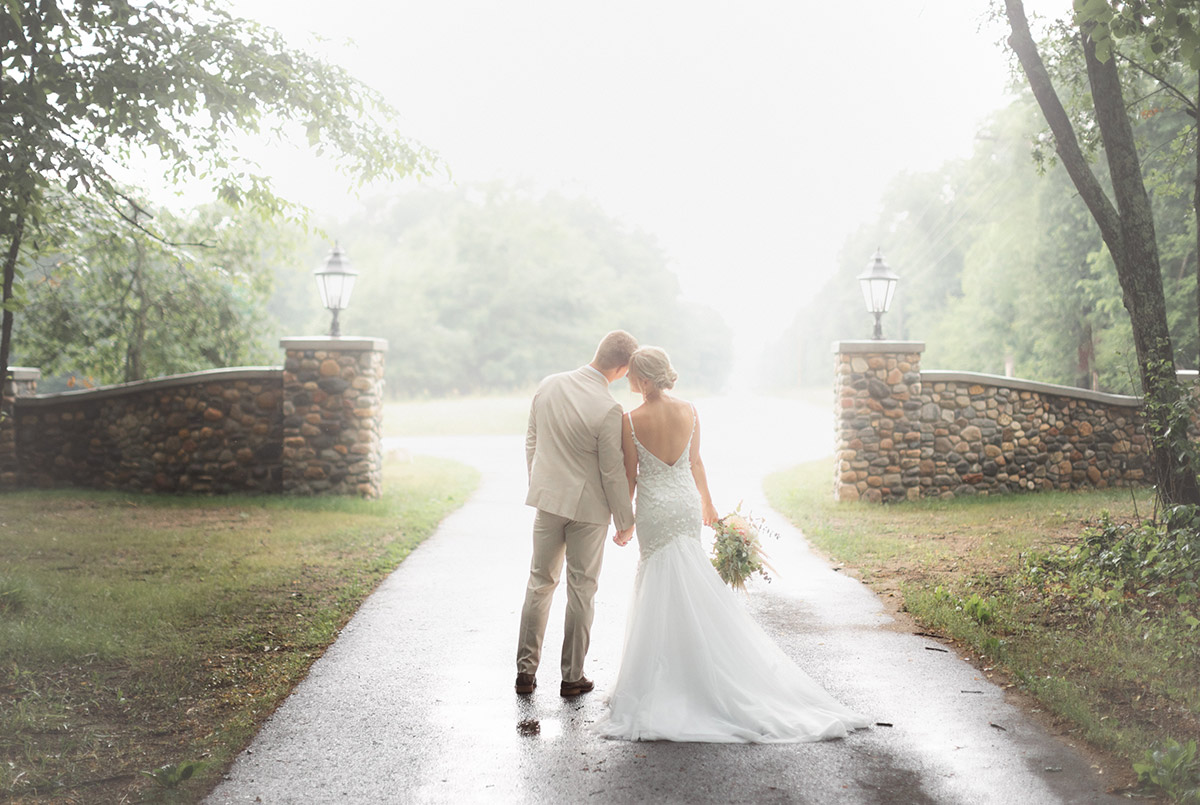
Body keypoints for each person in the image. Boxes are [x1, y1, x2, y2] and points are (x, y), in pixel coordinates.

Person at [597, 346, 870, 742]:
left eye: (631, 375)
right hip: (685, 503)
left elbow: (630, 475)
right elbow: (695, 463)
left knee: (657, 579)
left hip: (656, 508)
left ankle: (659, 677)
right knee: (689, 576)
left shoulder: (630, 420)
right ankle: (696, 668)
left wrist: (624, 522)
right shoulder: (690, 411)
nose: (628, 381)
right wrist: (708, 505)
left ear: (641, 378)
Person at [515, 330, 639, 697]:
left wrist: (540, 483)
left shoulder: (549, 385)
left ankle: (525, 673)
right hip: (589, 510)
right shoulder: (609, 408)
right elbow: (612, 471)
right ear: (621, 368)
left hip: (549, 502)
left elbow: (531, 439)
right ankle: (572, 677)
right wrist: (625, 521)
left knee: (540, 583)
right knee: (581, 590)